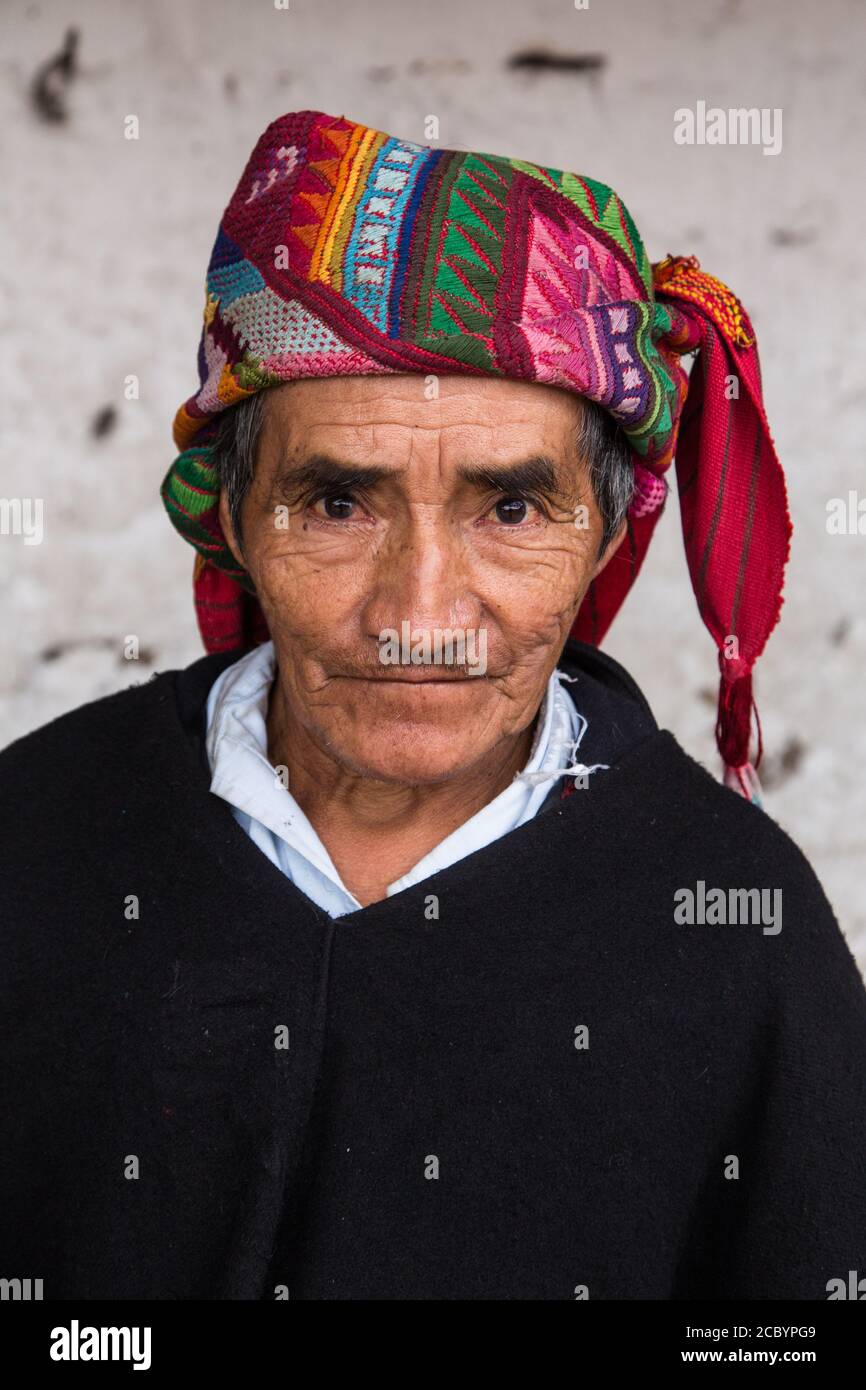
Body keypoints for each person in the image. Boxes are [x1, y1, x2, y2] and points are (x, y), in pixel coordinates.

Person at [2, 110, 865, 1301]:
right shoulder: (35, 840)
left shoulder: (733, 934)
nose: (417, 612)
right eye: (337, 505)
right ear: (234, 518)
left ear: (603, 535)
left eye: (508, 511)